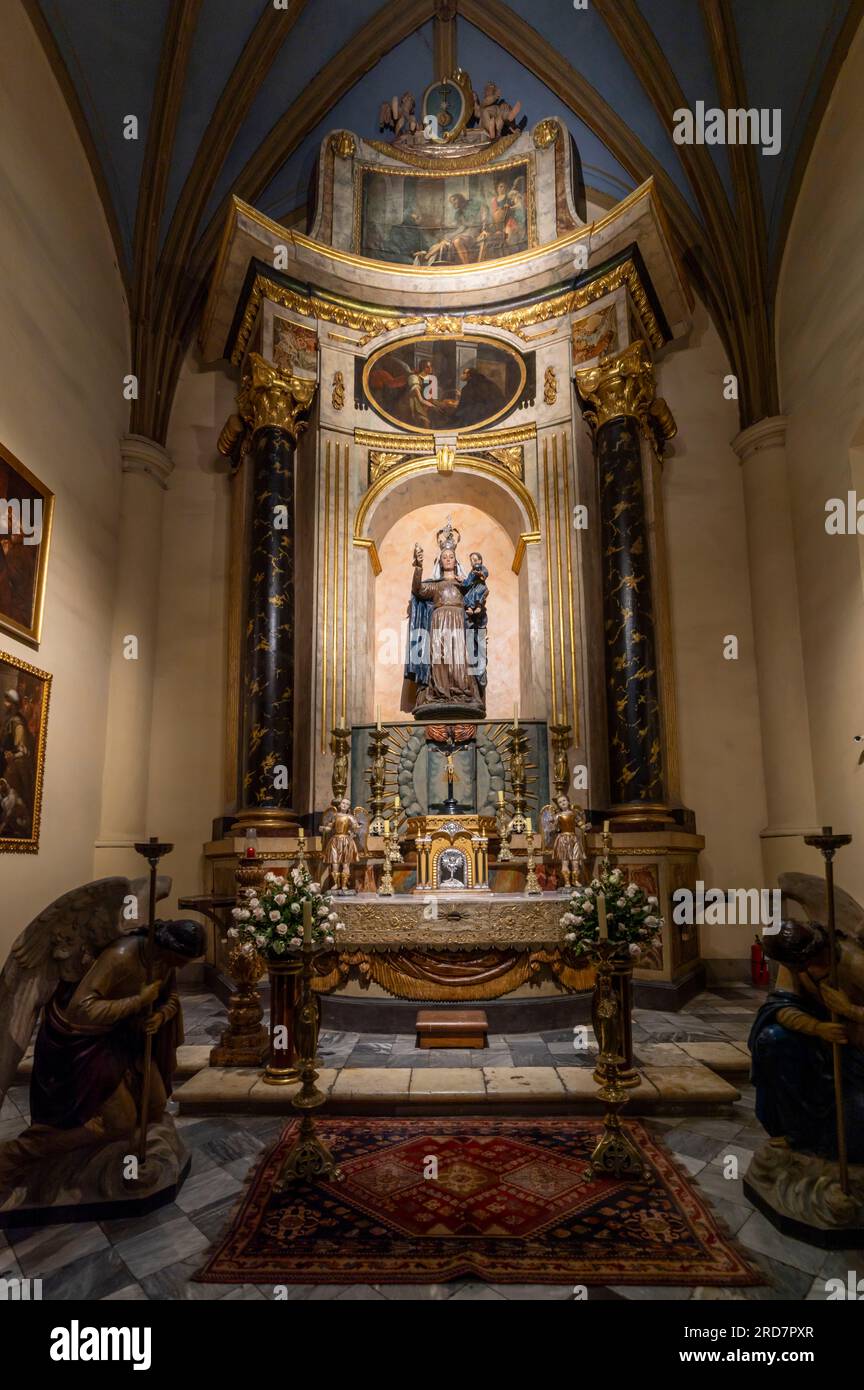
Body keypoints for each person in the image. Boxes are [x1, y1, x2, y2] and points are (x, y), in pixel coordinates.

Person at [0, 919, 205, 1186]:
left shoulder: (164, 961)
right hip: (85, 1044)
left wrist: (160, 1017)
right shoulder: (120, 957)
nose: (180, 966)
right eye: (180, 959)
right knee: (118, 1123)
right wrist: (139, 1001)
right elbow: (81, 1010)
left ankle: (124, 1154)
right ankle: (17, 1155)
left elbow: (170, 997)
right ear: (166, 945)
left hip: (124, 1038)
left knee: (155, 1105)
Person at [748, 918, 864, 1162]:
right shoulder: (795, 963)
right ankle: (797, 1133)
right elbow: (780, 1007)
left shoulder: (856, 964)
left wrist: (850, 1011)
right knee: (773, 1039)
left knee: (853, 1137)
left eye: (817, 959)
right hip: (824, 1048)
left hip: (857, 1059)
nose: (808, 970)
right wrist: (817, 1027)